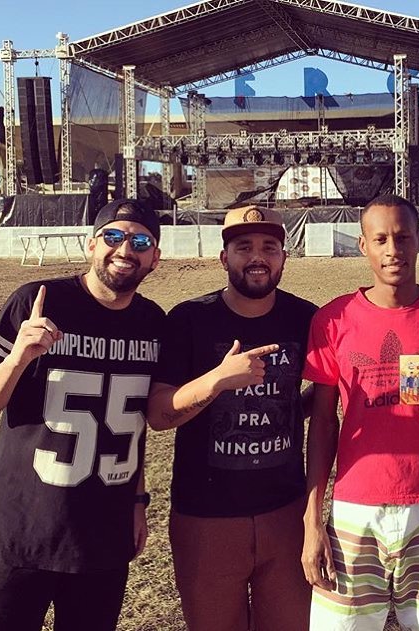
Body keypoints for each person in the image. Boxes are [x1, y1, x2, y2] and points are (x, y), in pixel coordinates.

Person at [301, 194, 419, 631]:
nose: (393, 250)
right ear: (363, 245)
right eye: (380, 239)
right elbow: (323, 422)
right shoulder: (333, 319)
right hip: (354, 507)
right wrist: (312, 520)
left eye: (402, 238)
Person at [0, 198, 165, 631]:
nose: (125, 249)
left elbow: (137, 423)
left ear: (155, 258)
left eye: (140, 242)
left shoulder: (153, 322)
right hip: (22, 529)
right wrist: (18, 358)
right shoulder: (37, 301)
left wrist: (138, 501)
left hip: (102, 534)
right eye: (113, 236)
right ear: (91, 244)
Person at [148, 206, 317, 631]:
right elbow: (159, 414)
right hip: (206, 516)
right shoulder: (189, 319)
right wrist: (217, 381)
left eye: (269, 247)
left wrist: (295, 407)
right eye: (244, 247)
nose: (257, 257)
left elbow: (318, 393)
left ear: (284, 257)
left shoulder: (305, 318)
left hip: (286, 511)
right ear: (224, 258)